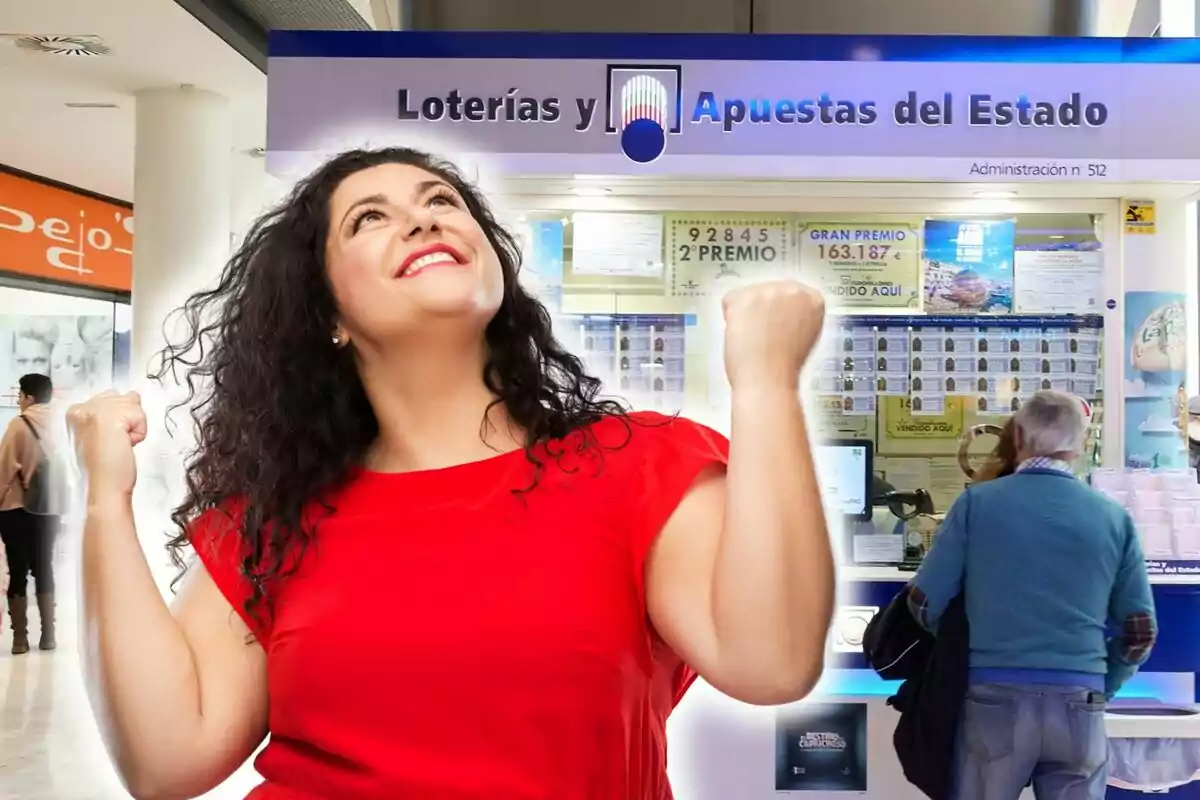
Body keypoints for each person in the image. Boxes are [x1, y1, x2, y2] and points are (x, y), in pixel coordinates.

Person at [67, 147, 835, 800]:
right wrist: (106, 496)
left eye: (441, 200)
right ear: (326, 313)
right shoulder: (274, 518)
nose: (424, 218)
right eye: (369, 217)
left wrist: (766, 381)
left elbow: (770, 662)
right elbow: (168, 761)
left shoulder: (638, 466)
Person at [910, 390, 1156, 799]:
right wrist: (1101, 684)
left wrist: (969, 646)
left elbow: (922, 600)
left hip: (993, 700)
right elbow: (1140, 632)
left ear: (1018, 438)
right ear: (1079, 445)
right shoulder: (1114, 518)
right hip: (1081, 702)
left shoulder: (977, 504)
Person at [0, 373, 61, 655]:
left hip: (16, 509)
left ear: (30, 397)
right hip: (49, 508)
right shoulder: (61, 424)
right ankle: (48, 636)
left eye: (20, 395)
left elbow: (4, 471)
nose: (18, 400)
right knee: (45, 567)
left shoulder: (18, 425)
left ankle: (20, 640)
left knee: (18, 572)